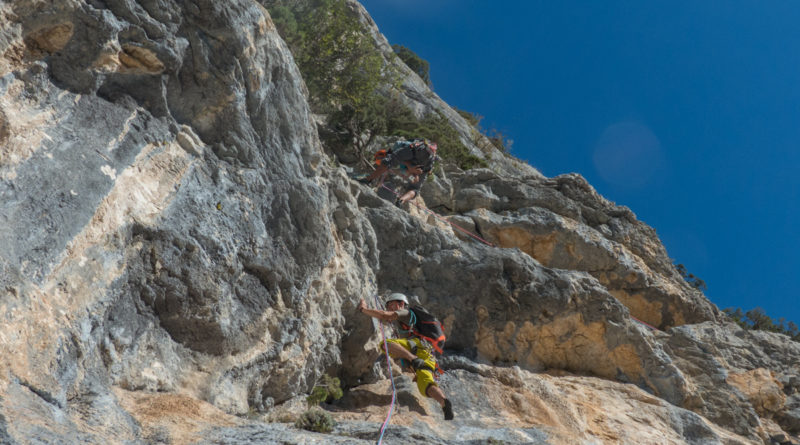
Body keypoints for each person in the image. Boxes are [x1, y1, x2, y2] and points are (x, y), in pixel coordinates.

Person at [357, 292, 454, 420]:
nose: (389, 308)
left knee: (386, 344)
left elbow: (384, 315)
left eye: (391, 305)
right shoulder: (404, 323)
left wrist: (364, 309)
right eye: (388, 306)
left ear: (401, 304)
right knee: (426, 385)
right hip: (428, 354)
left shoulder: (405, 312)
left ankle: (413, 360)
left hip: (417, 347)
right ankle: (444, 402)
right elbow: (385, 317)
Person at [362, 139, 438, 205]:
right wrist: (413, 172)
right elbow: (415, 170)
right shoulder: (408, 147)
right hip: (425, 163)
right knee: (415, 189)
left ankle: (367, 180)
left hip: (414, 154)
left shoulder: (398, 146)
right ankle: (401, 201)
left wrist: (411, 169)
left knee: (390, 161)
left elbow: (395, 158)